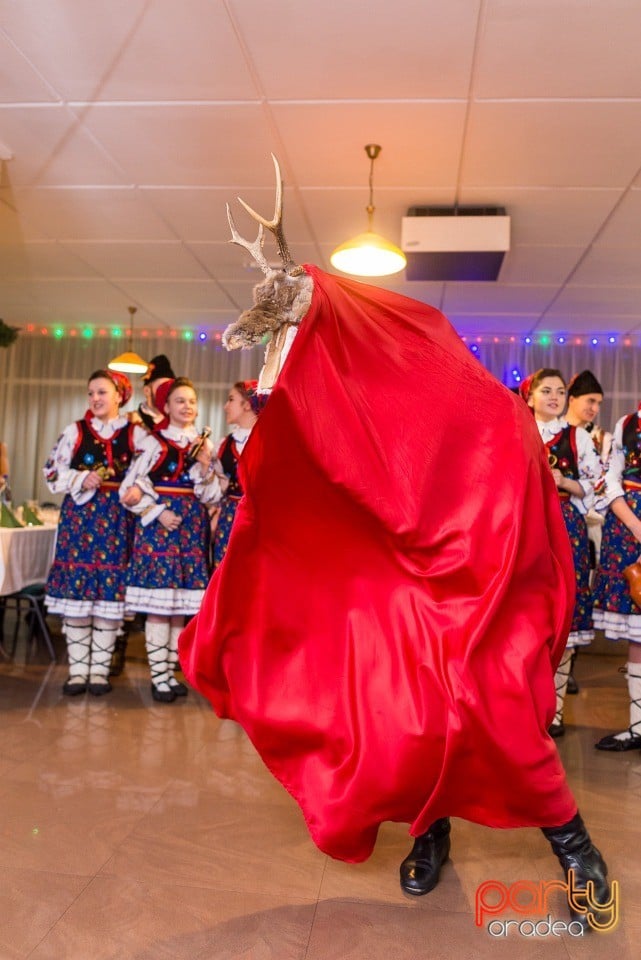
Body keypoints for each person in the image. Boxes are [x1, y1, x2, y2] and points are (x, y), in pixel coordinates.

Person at [179, 253, 610, 929]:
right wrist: (280, 349)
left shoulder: (491, 411)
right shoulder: (366, 413)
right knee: (409, 715)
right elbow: (313, 452)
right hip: (406, 593)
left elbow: (514, 508)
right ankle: (428, 830)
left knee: (496, 714)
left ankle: (572, 843)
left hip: (483, 596)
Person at [119, 376, 225, 703]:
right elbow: (129, 491)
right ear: (166, 406)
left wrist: (207, 469)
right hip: (160, 529)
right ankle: (158, 676)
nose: (187, 407)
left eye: (191, 401)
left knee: (179, 608)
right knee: (159, 608)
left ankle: (171, 670)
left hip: (190, 528)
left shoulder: (203, 444)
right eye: (180, 401)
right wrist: (157, 511)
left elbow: (213, 495)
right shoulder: (154, 442)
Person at [44, 369, 147, 696]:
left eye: (102, 392)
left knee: (107, 601)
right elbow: (51, 473)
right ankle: (78, 672)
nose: (95, 399)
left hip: (117, 523)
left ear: (120, 395)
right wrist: (78, 478)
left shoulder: (136, 433)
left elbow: (150, 473)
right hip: (80, 523)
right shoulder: (75, 431)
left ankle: (99, 672)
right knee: (77, 598)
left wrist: (138, 490)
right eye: (91, 393)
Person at [524, 368, 602, 737]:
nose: (554, 397)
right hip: (526, 527)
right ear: (530, 397)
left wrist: (564, 481)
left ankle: (553, 715)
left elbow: (595, 483)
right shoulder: (518, 433)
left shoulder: (578, 438)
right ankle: (527, 710)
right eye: (546, 391)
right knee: (529, 616)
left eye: (559, 391)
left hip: (566, 529)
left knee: (563, 614)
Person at [591, 401, 641, 751]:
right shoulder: (628, 423)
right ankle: (639, 726)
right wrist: (637, 526)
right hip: (630, 530)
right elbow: (608, 480)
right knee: (638, 637)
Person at [565, 370, 611, 693]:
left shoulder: (599, 437)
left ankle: (569, 668)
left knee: (579, 589)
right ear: (572, 399)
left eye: (598, 403)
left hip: (587, 525)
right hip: (568, 519)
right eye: (590, 401)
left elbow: (600, 483)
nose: (594, 408)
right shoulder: (557, 434)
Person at [212, 380, 262, 568]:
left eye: (231, 399)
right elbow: (217, 489)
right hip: (230, 519)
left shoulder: (270, 441)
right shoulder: (223, 445)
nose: (226, 406)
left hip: (261, 519)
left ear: (248, 404)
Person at [132, 354, 176, 430]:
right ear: (147, 391)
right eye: (162, 387)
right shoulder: (132, 421)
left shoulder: (176, 422)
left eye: (170, 387)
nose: (167, 391)